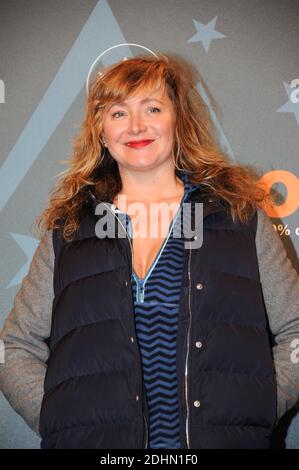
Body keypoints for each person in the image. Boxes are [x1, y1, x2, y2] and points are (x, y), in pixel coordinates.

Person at [0, 53, 299, 450]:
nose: (136, 126)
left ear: (178, 120)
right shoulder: (69, 230)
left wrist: (256, 407)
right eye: (118, 113)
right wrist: (62, 421)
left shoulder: (240, 219)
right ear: (101, 132)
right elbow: (15, 346)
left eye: (152, 108)